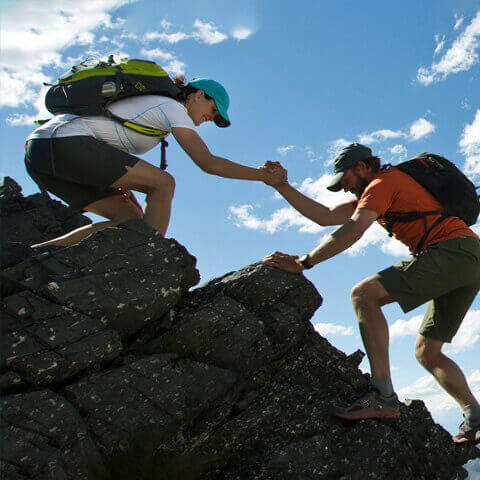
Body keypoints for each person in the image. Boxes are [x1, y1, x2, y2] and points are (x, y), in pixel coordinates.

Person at [262, 143, 480, 445]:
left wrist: (304, 262)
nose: (343, 189)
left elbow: (353, 230)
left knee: (363, 295)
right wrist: (283, 187)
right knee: (427, 352)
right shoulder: (380, 189)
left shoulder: (381, 182)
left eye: (345, 180)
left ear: (363, 167)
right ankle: (476, 417)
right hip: (469, 257)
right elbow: (325, 216)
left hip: (451, 251)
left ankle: (382, 394)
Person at [25, 76, 284, 247]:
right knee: (164, 183)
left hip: (40, 154)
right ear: (197, 94)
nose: (210, 118)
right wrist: (262, 175)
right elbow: (208, 163)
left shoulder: (156, 111)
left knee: (130, 224)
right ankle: (150, 255)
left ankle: (37, 255)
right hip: (62, 143)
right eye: (213, 110)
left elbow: (105, 142)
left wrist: (123, 184)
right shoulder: (172, 108)